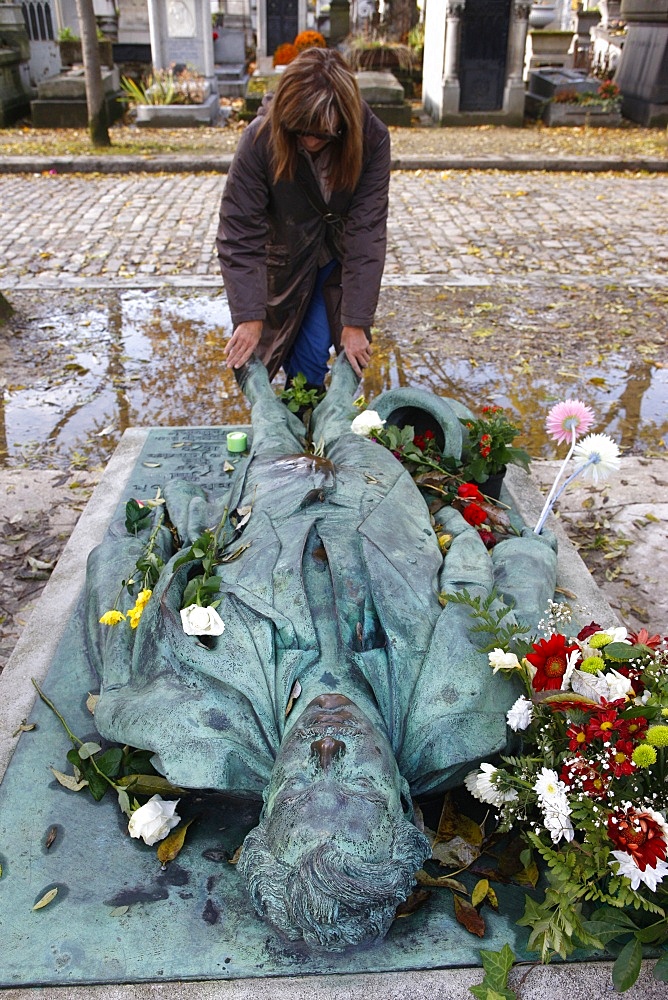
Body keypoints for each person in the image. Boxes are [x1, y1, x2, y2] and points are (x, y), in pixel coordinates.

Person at [85, 354, 559, 950]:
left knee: (271, 435)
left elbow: (122, 621)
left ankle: (260, 385)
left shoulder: (190, 731)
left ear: (268, 802)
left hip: (270, 515)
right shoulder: (473, 706)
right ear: (405, 802)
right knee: (342, 428)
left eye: (302, 784)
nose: (326, 746)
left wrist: (168, 543)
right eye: (358, 783)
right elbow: (498, 597)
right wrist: (472, 534)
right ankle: (343, 386)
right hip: (376, 508)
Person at [216, 47, 391, 389]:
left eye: (323, 134)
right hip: (284, 260)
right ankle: (298, 425)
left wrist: (355, 321)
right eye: (300, 131)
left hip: (335, 260)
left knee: (311, 354)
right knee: (284, 355)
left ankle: (314, 425)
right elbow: (239, 231)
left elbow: (366, 232)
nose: (310, 140)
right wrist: (249, 316)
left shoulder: (371, 139)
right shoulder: (260, 138)